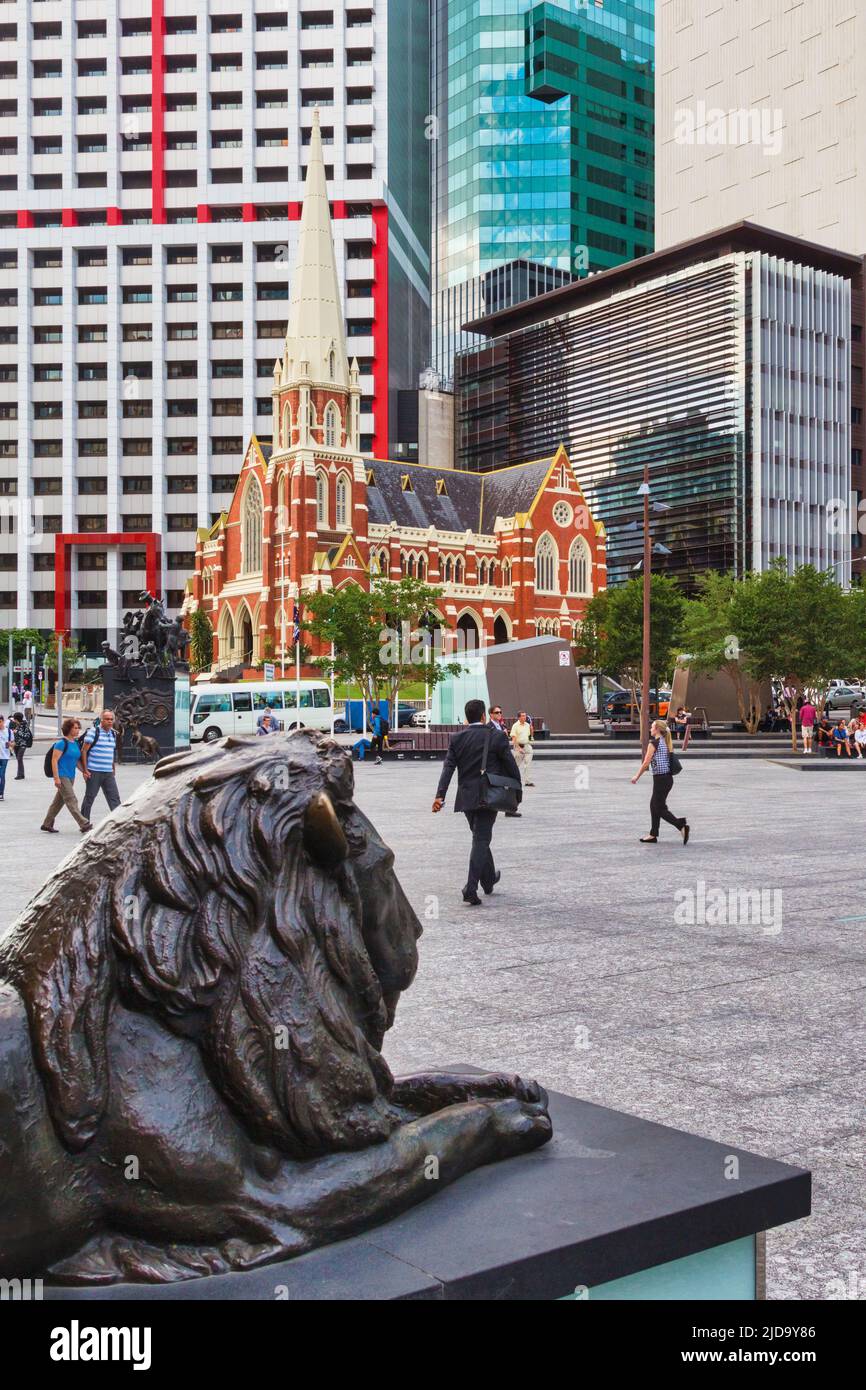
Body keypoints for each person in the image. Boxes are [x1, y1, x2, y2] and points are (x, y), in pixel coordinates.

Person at [432, 698, 522, 906]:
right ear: (483, 716)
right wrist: (517, 792)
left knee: (480, 836)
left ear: (467, 717)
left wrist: (440, 795)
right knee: (481, 839)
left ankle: (489, 880)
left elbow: (448, 768)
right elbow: (511, 766)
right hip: (488, 796)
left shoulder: (457, 738)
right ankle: (470, 888)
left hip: (466, 797)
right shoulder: (497, 737)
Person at [631, 718, 689, 845]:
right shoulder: (664, 741)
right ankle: (653, 834)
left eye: (652, 727)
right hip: (666, 779)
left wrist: (636, 776)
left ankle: (680, 825)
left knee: (659, 807)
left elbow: (646, 762)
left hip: (661, 779)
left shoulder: (654, 743)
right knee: (654, 805)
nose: (650, 729)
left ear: (657, 729)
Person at [41, 717, 92, 834]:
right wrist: (56, 778)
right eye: (75, 728)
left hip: (71, 776)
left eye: (78, 727)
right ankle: (83, 823)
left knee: (58, 802)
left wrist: (84, 770)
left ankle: (47, 824)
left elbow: (76, 761)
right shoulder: (61, 743)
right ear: (68, 729)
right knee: (71, 799)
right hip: (62, 775)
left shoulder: (75, 744)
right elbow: (54, 761)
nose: (78, 729)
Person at [80, 708, 121, 822]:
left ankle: (119, 821)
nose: (110, 721)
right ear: (101, 720)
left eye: (111, 719)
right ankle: (84, 822)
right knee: (90, 797)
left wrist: (113, 768)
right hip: (94, 771)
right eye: (107, 719)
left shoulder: (113, 733)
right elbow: (84, 750)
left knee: (114, 798)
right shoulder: (94, 731)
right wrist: (85, 770)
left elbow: (111, 751)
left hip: (108, 772)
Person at [510, 711, 534, 788]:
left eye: (525, 716)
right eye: (523, 716)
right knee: (516, 765)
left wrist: (531, 730)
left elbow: (529, 736)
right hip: (518, 747)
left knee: (528, 765)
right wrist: (518, 748)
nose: (525, 717)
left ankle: (528, 781)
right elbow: (513, 738)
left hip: (527, 746)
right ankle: (513, 780)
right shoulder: (515, 726)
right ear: (519, 717)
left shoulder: (527, 725)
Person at [9, 711, 30, 779]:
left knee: (19, 758)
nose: (14, 720)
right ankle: (22, 774)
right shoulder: (15, 724)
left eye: (15, 719)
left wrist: (17, 732)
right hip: (16, 744)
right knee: (19, 759)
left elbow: (27, 735)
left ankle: (19, 775)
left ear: (17, 719)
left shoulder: (25, 725)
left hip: (22, 744)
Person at [0, 715, 10, 800]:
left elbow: (13, 743)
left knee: (2, 775)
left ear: (3, 721)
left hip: (4, 757)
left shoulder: (9, 731)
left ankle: (1, 793)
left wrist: (10, 744)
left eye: (0, 722)